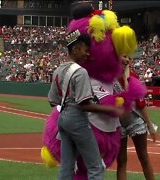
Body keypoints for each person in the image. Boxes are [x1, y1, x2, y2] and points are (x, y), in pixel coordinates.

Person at [48, 29, 127, 180]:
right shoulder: (81, 72)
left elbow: (52, 101)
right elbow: (84, 105)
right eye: (85, 50)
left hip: (62, 118)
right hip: (77, 118)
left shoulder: (58, 70)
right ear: (75, 49)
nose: (87, 54)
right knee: (96, 167)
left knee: (67, 168)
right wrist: (110, 108)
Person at [116, 55, 157, 180]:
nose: (127, 60)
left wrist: (150, 126)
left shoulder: (132, 77)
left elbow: (141, 103)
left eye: (129, 57)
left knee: (143, 157)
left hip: (135, 119)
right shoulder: (109, 77)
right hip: (117, 122)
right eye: (124, 56)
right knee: (121, 161)